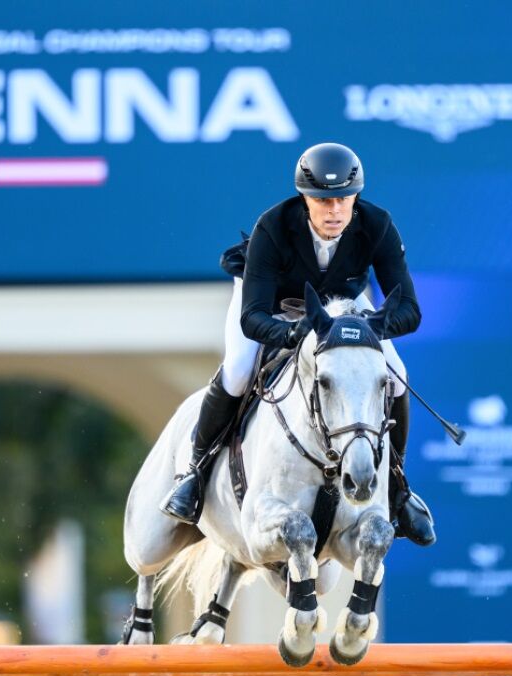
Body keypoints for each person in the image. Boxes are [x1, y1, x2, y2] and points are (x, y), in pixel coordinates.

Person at [159, 142, 435, 547]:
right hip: (272, 303)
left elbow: (410, 310)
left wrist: (369, 326)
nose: (335, 211)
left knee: (397, 376)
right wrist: (292, 334)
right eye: (324, 201)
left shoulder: (377, 225)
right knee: (237, 371)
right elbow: (252, 318)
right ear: (305, 198)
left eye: (343, 199)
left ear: (356, 196)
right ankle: (195, 476)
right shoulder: (273, 226)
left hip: (342, 306)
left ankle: (398, 489)